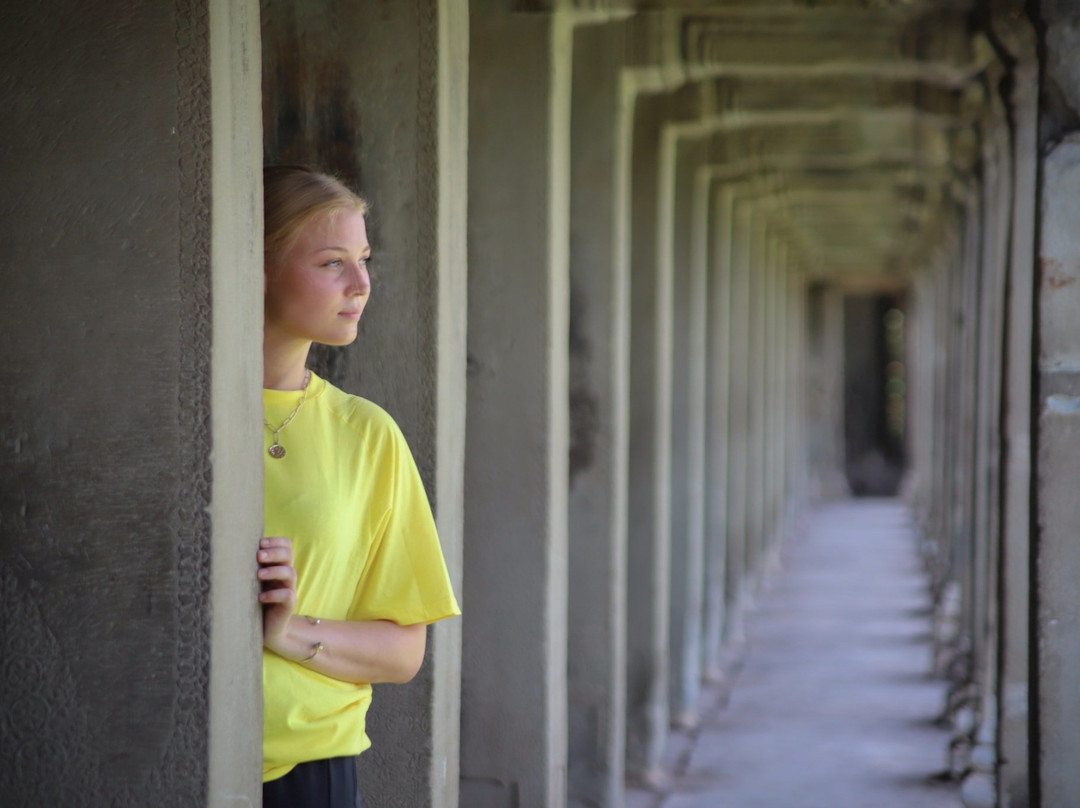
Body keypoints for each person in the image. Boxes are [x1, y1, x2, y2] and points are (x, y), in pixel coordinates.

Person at [257, 165, 460, 808]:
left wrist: (286, 631)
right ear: (253, 267)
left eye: (364, 259)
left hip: (308, 773)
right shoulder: (168, 419)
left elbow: (402, 651)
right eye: (332, 263)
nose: (362, 284)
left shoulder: (366, 434)